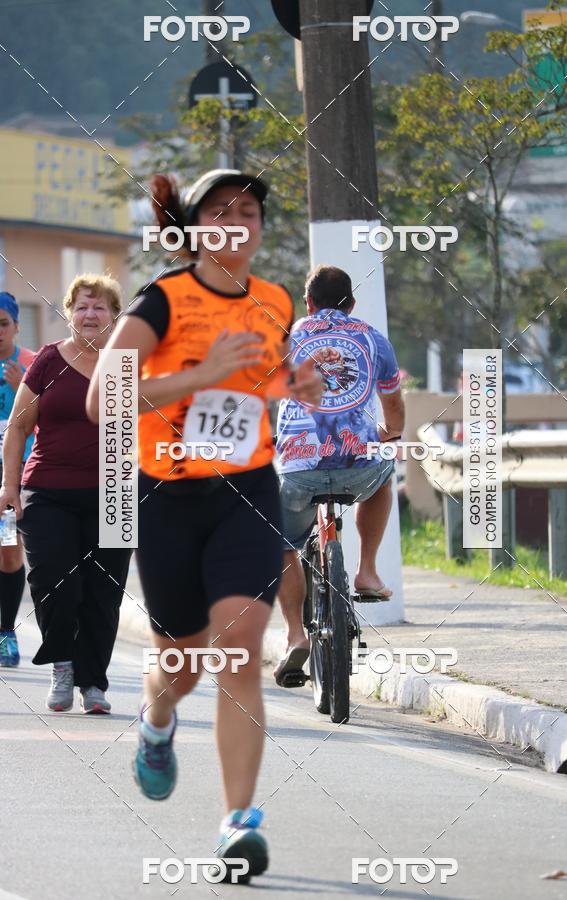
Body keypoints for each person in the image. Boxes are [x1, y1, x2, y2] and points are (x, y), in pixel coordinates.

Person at [86, 169, 322, 881]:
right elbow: (105, 400)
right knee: (181, 666)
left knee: (240, 647)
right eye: (219, 212)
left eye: (248, 211)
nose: (236, 222)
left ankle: (238, 823)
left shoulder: (275, 299)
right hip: (167, 498)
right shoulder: (162, 301)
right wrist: (199, 374)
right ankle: (157, 724)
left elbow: (264, 374)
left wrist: (295, 383)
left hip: (246, 489)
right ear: (195, 230)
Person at [0, 275, 132, 713]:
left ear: (114, 315)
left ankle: (94, 683)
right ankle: (62, 664)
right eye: (81, 307)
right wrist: (9, 485)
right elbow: (18, 426)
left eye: (99, 307)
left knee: (103, 592)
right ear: (68, 313)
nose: (89, 315)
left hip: (114, 494)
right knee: (56, 582)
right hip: (48, 490)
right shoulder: (47, 361)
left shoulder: (129, 364)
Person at [274, 264, 405, 684]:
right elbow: (395, 412)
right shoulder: (372, 338)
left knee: (279, 542)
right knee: (384, 472)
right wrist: (389, 434)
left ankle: (295, 634)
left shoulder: (285, 337)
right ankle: (367, 570)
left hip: (299, 469)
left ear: (307, 303)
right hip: (357, 465)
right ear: (351, 302)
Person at [0, 293, 36, 667]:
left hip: (12, 471)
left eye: (3, 324)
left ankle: (5, 631)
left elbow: (51, 418)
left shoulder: (31, 364)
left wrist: (23, 383)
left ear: (15, 326)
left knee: (8, 550)